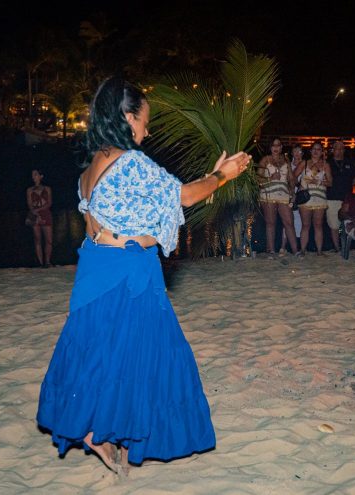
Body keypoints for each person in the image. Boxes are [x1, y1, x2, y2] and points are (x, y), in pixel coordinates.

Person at [36, 76, 251, 475]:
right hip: (128, 272)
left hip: (96, 266)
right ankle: (102, 432)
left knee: (102, 349)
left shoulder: (91, 167)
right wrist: (223, 176)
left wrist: (209, 175)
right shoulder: (131, 162)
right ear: (127, 117)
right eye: (144, 120)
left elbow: (137, 203)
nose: (147, 130)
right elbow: (184, 196)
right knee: (153, 352)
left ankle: (95, 430)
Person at [257, 137, 298, 256]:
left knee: (289, 222)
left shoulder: (286, 160)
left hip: (284, 194)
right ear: (270, 147)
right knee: (271, 223)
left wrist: (293, 192)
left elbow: (291, 178)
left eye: (278, 145)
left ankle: (296, 251)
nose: (276, 148)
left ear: (281, 147)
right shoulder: (265, 160)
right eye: (273, 145)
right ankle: (271, 251)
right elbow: (257, 178)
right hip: (268, 194)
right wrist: (270, 178)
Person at [294, 142, 331, 255]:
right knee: (305, 225)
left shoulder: (325, 165)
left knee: (318, 225)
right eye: (314, 149)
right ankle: (303, 250)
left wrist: (320, 181)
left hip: (320, 197)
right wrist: (299, 185)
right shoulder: (304, 163)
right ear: (310, 151)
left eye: (318, 149)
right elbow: (293, 176)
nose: (316, 151)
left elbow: (330, 183)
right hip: (306, 198)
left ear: (322, 152)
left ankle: (319, 251)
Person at [326, 139, 355, 253]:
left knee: (347, 223)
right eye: (337, 148)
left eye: (341, 148)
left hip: (347, 198)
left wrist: (348, 183)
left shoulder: (349, 163)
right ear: (333, 150)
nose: (339, 150)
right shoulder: (328, 163)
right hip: (332, 197)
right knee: (334, 225)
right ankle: (337, 248)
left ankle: (347, 245)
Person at [27, 169, 54, 267]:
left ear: (41, 176)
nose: (33, 177)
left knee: (49, 240)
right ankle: (40, 262)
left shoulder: (47, 188)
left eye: (35, 174)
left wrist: (38, 211)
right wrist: (34, 212)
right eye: (32, 175)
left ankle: (47, 262)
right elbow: (29, 204)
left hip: (45, 213)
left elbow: (49, 203)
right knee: (37, 239)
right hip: (34, 215)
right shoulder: (29, 190)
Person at [280, 145, 303, 254]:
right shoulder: (287, 164)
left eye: (300, 151)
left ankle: (296, 247)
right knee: (288, 221)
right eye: (295, 151)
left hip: (301, 197)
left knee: (299, 222)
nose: (298, 154)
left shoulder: (306, 164)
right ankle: (283, 246)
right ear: (292, 153)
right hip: (289, 195)